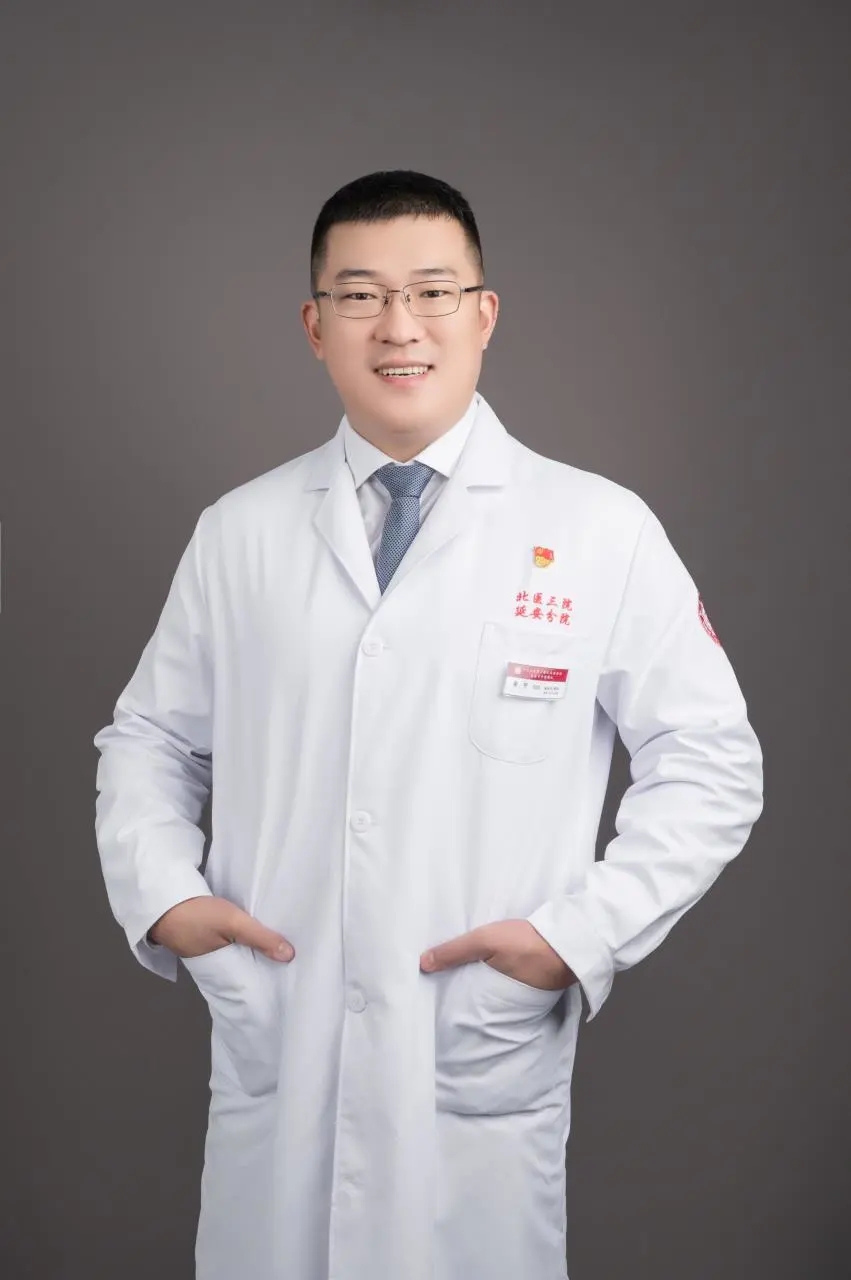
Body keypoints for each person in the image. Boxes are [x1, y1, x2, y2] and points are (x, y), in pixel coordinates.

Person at [93, 169, 763, 1280]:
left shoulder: (597, 528)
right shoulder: (240, 531)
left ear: (483, 314)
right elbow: (150, 739)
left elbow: (710, 761)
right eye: (359, 296)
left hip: (474, 1045)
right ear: (315, 325)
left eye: (432, 292)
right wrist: (166, 896)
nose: (398, 326)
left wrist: (577, 936)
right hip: (282, 1032)